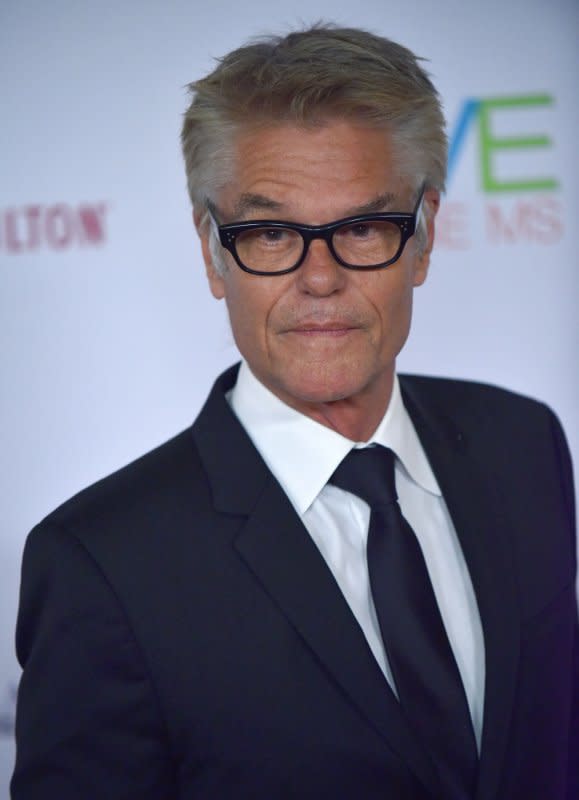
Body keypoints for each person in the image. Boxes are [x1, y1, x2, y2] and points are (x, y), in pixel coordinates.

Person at [11, 24, 578, 800]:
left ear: (423, 236)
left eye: (361, 228)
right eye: (270, 233)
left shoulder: (524, 444)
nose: (320, 278)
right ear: (212, 252)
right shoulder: (100, 564)